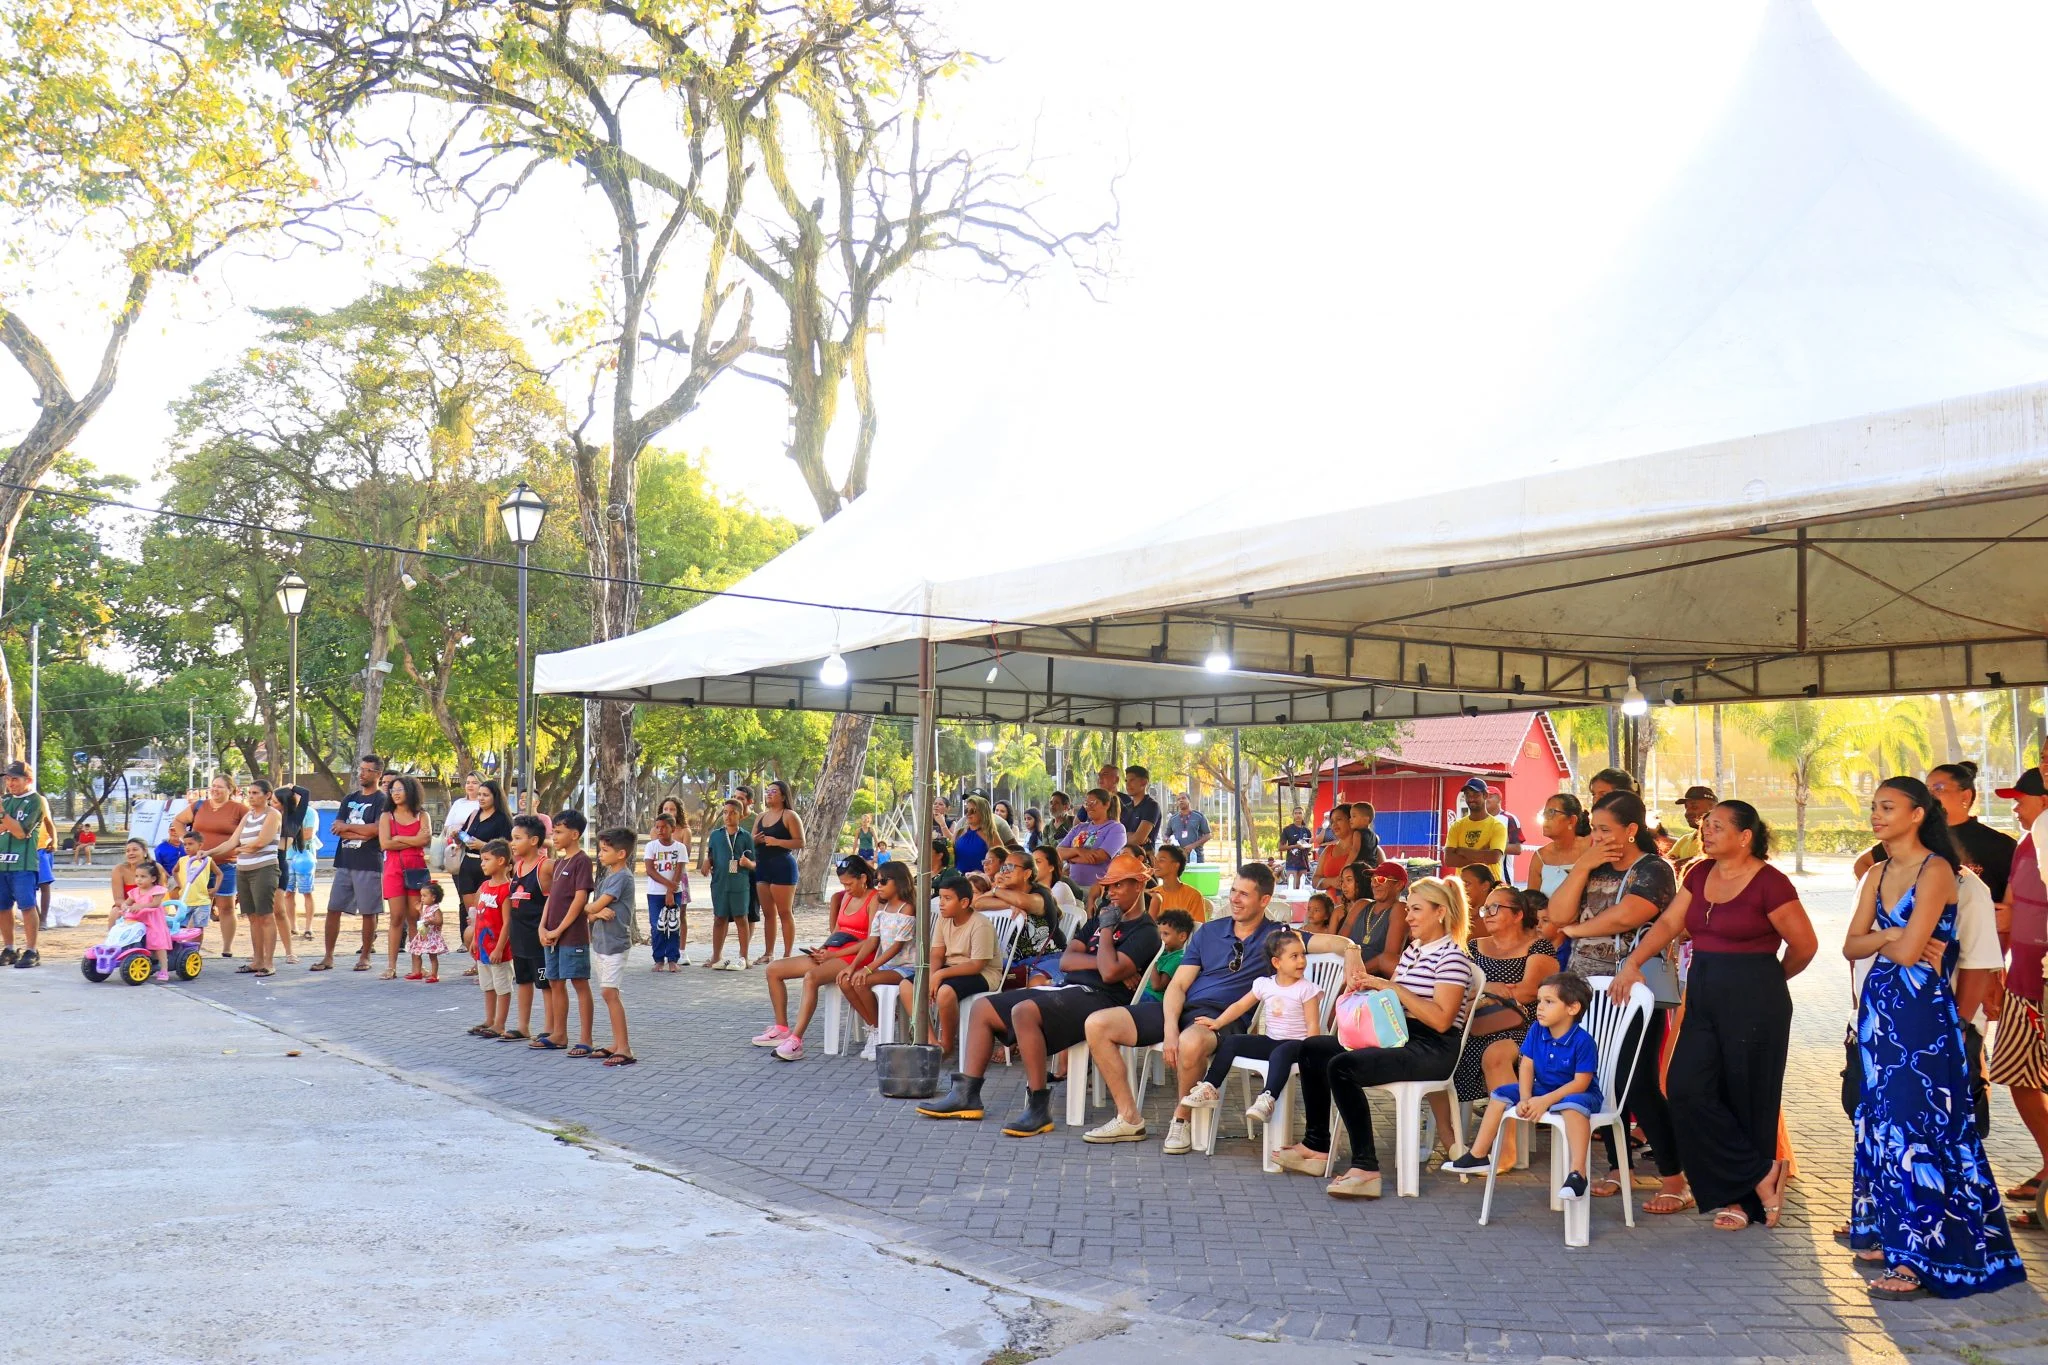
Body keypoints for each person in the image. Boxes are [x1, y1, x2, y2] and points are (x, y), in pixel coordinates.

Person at [1846, 776, 2024, 1300]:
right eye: (1874, 806)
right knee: (1878, 1118)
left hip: (1922, 1013)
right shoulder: (1877, 871)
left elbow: (1906, 954)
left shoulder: (1939, 870)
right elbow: (1852, 946)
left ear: (1919, 813)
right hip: (1880, 1008)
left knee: (1916, 1129)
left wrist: (1886, 942)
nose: (1876, 815)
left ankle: (1920, 1255)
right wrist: (1888, 937)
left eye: (1887, 806)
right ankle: (1886, 1232)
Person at [1614, 799, 1816, 1230]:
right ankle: (1761, 1172)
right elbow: (1668, 924)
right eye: (1706, 825)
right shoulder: (1700, 872)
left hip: (1756, 995)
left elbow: (1805, 945)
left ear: (1745, 836)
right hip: (1705, 990)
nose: (1706, 831)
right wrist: (1633, 961)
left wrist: (1770, 980)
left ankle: (1741, 1200)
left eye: (1717, 826)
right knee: (1686, 1088)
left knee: (1747, 1096)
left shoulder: (1771, 883)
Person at [1084, 862, 1353, 1152]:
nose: (1234, 899)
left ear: (1264, 900)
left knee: (1190, 1041)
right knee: (1097, 1024)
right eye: (1233, 891)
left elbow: (1335, 943)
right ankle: (1128, 1117)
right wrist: (1169, 1028)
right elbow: (1177, 986)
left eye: (1244, 895)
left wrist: (1354, 951)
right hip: (1180, 1009)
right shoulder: (1209, 932)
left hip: (1224, 1017)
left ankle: (1181, 1120)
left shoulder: (1279, 937)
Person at [918, 849, 1163, 1136]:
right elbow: (1068, 961)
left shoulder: (1144, 930)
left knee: (1024, 1011)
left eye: (1119, 885)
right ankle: (967, 1093)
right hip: (1069, 988)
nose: (1111, 892)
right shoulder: (1099, 920)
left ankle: (1038, 1106)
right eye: (1108, 885)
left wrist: (1107, 935)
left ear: (1140, 885)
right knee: (983, 1008)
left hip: (1101, 1001)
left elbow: (1108, 975)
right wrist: (1108, 960)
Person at [1270, 876, 1477, 1198]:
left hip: (1431, 1047)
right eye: (1408, 909)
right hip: (1398, 1035)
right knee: (1312, 1048)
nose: (1407, 916)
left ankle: (1366, 1168)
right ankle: (1316, 1146)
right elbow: (1394, 1003)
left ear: (1440, 912)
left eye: (1416, 910)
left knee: (1342, 1066)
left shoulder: (1453, 958)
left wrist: (1392, 987)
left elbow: (1440, 1020)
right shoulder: (1415, 950)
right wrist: (1366, 987)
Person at [1551, 790, 1688, 1211]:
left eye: (1606, 830)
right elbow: (1557, 913)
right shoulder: (1592, 866)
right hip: (1584, 990)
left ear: (1632, 830)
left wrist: (1575, 931)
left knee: (1638, 1084)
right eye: (1594, 829)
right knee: (1597, 1079)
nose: (1598, 837)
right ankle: (1618, 1167)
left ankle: (1674, 1178)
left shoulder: (1654, 869)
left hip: (1630, 992)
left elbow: (1631, 914)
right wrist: (1583, 866)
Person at [1443, 972, 1602, 1199]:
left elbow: (1580, 1082)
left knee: (1572, 1107)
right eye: (1539, 1001)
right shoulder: (1537, 1029)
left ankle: (1578, 1173)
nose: (1540, 1008)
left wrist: (1544, 1100)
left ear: (1572, 1008)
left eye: (1549, 1002)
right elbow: (1526, 1065)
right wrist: (1526, 1097)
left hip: (1579, 1093)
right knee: (1499, 1095)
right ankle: (1478, 1155)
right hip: (1543, 1089)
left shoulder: (1582, 1041)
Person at [1442, 884, 1560, 1159]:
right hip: (1474, 1025)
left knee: (1495, 1055)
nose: (1487, 913)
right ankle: (1451, 1141)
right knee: (1438, 1047)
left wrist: (1485, 989)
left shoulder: (1538, 946)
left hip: (1525, 1028)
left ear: (1518, 914)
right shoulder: (1473, 947)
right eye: (1485, 908)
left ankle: (1507, 1147)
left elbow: (1530, 991)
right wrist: (1494, 989)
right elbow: (1457, 989)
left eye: (1495, 908)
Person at [1181, 929, 1328, 1125]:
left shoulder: (1307, 989)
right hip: (1272, 1041)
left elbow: (1312, 1023)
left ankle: (1267, 1098)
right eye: (1294, 956)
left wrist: (1312, 1053)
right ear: (1277, 962)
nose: (1301, 961)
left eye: (1303, 954)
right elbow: (1240, 1005)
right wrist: (1218, 1022)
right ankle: (1210, 1086)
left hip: (1298, 1045)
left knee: (1281, 1052)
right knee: (1231, 1042)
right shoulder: (1264, 984)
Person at [1989, 768, 2048, 1210]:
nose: (2016, 805)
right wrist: (1996, 968)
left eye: (2022, 798)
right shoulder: (2026, 844)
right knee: (2016, 1074)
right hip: (2022, 982)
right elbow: (2007, 908)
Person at [754, 855, 878, 1060]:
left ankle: (796, 1041)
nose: (846, 889)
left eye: (849, 884)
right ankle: (782, 1027)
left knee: (811, 977)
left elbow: (871, 941)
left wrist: (834, 954)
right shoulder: (846, 897)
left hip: (856, 955)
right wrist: (822, 950)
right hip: (833, 951)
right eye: (843, 884)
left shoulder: (874, 899)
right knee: (774, 969)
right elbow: (838, 930)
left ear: (863, 878)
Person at [1854, 761, 2016, 905]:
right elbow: (1862, 863)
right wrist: (1884, 900)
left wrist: (2010, 913)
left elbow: (2018, 891)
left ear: (1965, 796)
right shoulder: (1914, 835)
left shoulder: (1999, 844)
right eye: (1927, 789)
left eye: (1938, 788)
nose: (1930, 796)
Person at [835, 860, 919, 1056]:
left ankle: (880, 1032)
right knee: (846, 980)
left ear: (898, 882)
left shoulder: (907, 909)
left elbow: (897, 947)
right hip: (886, 966)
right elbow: (872, 941)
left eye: (883, 882)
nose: (878, 885)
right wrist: (853, 966)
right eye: (877, 881)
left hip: (905, 967)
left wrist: (868, 969)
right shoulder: (882, 909)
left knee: (861, 982)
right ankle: (875, 1027)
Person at [314, 756, 388, 971]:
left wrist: (350, 829)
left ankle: (365, 956)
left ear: (377, 774)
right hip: (345, 860)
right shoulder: (349, 798)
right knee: (333, 908)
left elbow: (376, 830)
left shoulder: (381, 800)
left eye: (367, 770)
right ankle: (328, 956)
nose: (361, 773)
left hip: (368, 862)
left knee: (368, 911)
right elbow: (337, 826)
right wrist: (356, 831)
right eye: (360, 769)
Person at [538, 809, 595, 1055]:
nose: (554, 836)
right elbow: (551, 899)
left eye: (559, 832)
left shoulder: (582, 861)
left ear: (574, 834)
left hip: (572, 936)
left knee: (579, 983)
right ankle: (559, 1033)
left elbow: (580, 899)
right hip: (551, 935)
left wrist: (560, 929)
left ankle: (585, 1039)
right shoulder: (559, 862)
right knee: (555, 981)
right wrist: (543, 926)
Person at [924, 870, 1000, 1055]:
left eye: (947, 898)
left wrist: (939, 975)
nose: (941, 903)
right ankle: (932, 1041)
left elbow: (977, 965)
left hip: (983, 974)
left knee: (945, 992)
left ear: (964, 903)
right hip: (951, 968)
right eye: (940, 897)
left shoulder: (980, 924)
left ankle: (948, 1045)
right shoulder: (944, 918)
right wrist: (932, 975)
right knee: (908, 985)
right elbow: (937, 953)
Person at [174, 773, 247, 960]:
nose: (215, 789)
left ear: (231, 790)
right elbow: (179, 821)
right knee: (193, 906)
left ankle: (227, 947)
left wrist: (242, 848)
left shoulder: (239, 809)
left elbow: (250, 830)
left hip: (226, 864)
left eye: (220, 786)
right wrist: (186, 841)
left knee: (226, 907)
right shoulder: (200, 806)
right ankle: (191, 949)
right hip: (198, 865)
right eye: (213, 786)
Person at [587, 826, 638, 1067]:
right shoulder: (610, 875)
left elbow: (592, 908)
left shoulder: (622, 877)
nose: (600, 854)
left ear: (621, 854)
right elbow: (594, 913)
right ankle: (616, 1043)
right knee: (607, 993)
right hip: (601, 941)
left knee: (610, 993)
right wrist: (594, 913)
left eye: (605, 850)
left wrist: (586, 908)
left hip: (615, 942)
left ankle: (625, 1047)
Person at [973, 847, 1065, 982]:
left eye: (1010, 867)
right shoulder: (1007, 894)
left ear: (1027, 873)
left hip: (1049, 957)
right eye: (1003, 868)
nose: (1005, 872)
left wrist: (995, 891)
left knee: (1036, 984)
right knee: (974, 974)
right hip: (1016, 962)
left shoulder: (1041, 894)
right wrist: (1009, 905)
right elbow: (977, 903)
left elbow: (1021, 901)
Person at [502, 814, 551, 1041]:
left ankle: (551, 1028)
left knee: (546, 984)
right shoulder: (518, 867)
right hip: (519, 936)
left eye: (517, 838)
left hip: (539, 937)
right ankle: (523, 1026)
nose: (513, 843)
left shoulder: (545, 867)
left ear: (533, 841)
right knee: (523, 981)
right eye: (512, 838)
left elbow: (555, 901)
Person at [451, 778, 510, 966]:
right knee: (473, 915)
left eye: (486, 795)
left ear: (495, 797)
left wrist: (483, 845)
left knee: (489, 914)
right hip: (468, 864)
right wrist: (458, 837)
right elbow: (465, 836)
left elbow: (507, 847)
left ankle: (492, 955)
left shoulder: (502, 819)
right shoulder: (474, 814)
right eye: (480, 795)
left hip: (488, 868)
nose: (481, 798)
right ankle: (477, 960)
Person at [378, 775, 432, 980]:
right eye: (392, 790)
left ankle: (418, 964)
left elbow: (425, 839)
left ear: (411, 790)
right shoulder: (386, 816)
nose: (396, 793)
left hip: (417, 868)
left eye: (400, 789)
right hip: (393, 868)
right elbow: (385, 844)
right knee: (396, 917)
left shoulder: (422, 815)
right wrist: (412, 840)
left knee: (417, 918)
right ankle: (391, 966)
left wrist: (399, 838)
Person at [230, 779, 285, 977]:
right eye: (249, 793)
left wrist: (240, 849)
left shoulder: (273, 814)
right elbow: (232, 841)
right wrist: (207, 852)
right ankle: (257, 959)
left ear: (267, 795)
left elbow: (261, 842)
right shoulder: (248, 816)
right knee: (252, 917)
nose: (251, 797)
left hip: (264, 868)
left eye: (255, 793)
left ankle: (269, 963)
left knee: (265, 915)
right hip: (243, 868)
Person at [465, 839, 514, 1039]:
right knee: (487, 985)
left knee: (502, 985)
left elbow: (507, 922)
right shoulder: (484, 886)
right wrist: (475, 940)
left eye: (486, 859)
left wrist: (499, 947)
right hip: (483, 947)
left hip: (498, 949)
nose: (482, 864)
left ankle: (500, 1023)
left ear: (501, 861)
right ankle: (489, 1019)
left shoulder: (506, 889)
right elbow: (479, 918)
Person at [751, 780, 804, 965]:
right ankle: (768, 953)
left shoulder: (790, 815)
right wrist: (755, 840)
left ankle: (788, 954)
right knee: (768, 914)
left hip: (783, 866)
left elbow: (800, 842)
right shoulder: (760, 816)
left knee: (784, 912)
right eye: (767, 791)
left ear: (783, 796)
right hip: (762, 866)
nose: (769, 794)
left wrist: (778, 842)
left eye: (773, 791)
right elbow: (752, 839)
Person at [701, 799, 756, 970]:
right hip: (719, 882)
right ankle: (716, 956)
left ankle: (743, 957)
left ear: (740, 815)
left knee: (741, 918)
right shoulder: (716, 835)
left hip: (739, 882)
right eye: (725, 812)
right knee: (719, 918)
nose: (728, 816)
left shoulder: (746, 836)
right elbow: (711, 855)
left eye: (733, 812)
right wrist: (706, 862)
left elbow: (754, 864)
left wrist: (748, 863)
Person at [1058, 788, 1127, 907]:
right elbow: (1057, 853)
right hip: (1073, 887)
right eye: (1086, 803)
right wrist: (1078, 850)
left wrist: (1070, 858)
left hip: (1097, 890)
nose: (1089, 807)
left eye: (1093, 803)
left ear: (1107, 804)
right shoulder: (1079, 828)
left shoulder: (1116, 828)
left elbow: (1099, 857)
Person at [1345, 862, 1410, 977]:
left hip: (1369, 980)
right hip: (1344, 970)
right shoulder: (1361, 905)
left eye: (1380, 879)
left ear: (1399, 885)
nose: (1374, 884)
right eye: (1373, 879)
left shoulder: (1400, 909)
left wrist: (1354, 974)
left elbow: (1388, 957)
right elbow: (1339, 940)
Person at [644, 812, 690, 971]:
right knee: (657, 926)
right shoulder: (651, 846)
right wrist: (668, 885)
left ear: (673, 829)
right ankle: (658, 959)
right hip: (654, 893)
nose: (660, 830)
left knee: (673, 925)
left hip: (674, 893)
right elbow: (650, 870)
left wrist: (671, 890)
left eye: (664, 827)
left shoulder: (680, 848)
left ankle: (672, 959)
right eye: (657, 827)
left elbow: (679, 870)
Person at [1526, 794, 1592, 898]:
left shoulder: (1589, 849)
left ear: (1571, 821)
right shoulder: (1540, 857)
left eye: (1552, 812)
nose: (1545, 818)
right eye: (1544, 813)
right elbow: (1532, 901)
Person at [1443, 779, 1508, 882]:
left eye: (1476, 794)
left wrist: (1462, 851)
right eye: (1468, 795)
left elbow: (1494, 857)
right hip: (1463, 888)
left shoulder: (1497, 826)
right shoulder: (1456, 826)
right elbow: (1449, 860)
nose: (1471, 798)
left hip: (1488, 886)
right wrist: (1482, 854)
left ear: (1485, 795)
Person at [120, 860, 174, 982]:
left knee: (158, 942)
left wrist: (140, 906)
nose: (139, 880)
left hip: (153, 921)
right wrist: (124, 906)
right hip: (138, 920)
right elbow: (127, 902)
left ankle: (164, 969)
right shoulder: (134, 892)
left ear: (153, 878)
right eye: (137, 876)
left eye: (143, 877)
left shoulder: (157, 890)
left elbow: (155, 904)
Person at [1135, 909, 1196, 1001]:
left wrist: (1152, 958)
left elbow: (1157, 986)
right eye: (1159, 934)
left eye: (1166, 934)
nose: (1161, 938)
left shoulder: (1177, 958)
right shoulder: (1163, 952)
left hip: (1153, 998)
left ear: (1182, 936)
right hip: (1141, 991)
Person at [439, 772, 482, 880]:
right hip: (458, 852)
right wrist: (455, 830)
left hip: (478, 853)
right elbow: (446, 827)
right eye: (468, 783)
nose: (470, 785)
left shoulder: (484, 804)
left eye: (474, 783)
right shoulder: (459, 803)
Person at [1151, 844, 1209, 923]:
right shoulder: (1152, 894)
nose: (1155, 865)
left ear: (1176, 865)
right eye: (1155, 860)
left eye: (1161, 860)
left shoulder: (1193, 896)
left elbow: (1197, 930)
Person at [953, 795, 1002, 882]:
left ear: (983, 813)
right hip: (958, 882)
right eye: (966, 810)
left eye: (973, 811)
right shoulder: (959, 833)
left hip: (981, 883)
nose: (968, 814)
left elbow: (1001, 860)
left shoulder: (991, 835)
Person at [408, 880, 448, 983]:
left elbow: (439, 921)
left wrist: (431, 921)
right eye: (421, 896)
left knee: (432, 956)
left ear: (433, 897)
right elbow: (423, 918)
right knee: (416, 953)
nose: (422, 898)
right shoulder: (426, 908)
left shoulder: (436, 909)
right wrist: (420, 911)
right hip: (423, 935)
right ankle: (417, 971)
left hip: (432, 936)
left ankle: (434, 974)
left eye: (424, 896)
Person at [1314, 805, 1360, 893]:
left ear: (1351, 820)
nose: (1334, 824)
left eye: (1339, 819)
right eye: (1331, 822)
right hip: (1331, 905)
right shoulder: (1328, 850)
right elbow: (1315, 880)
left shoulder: (1370, 848)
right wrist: (1331, 881)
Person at [1482, 786, 1523, 881]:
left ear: (1499, 799)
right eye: (1484, 796)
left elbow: (1517, 849)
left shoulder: (1509, 819)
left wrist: (1491, 847)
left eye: (1490, 796)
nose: (1486, 800)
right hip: (1482, 879)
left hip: (1502, 878)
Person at [1119, 766, 1162, 854]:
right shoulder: (1125, 808)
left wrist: (1123, 837)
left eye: (1132, 780)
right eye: (1126, 781)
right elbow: (1115, 834)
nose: (1127, 784)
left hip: (1143, 860)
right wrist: (1128, 836)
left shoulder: (1151, 806)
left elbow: (1138, 839)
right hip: (1123, 857)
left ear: (1144, 782)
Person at [1668, 785, 1715, 865]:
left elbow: (1708, 861)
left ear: (1712, 808)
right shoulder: (1685, 839)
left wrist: (1677, 864)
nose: (1687, 813)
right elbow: (1666, 864)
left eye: (1694, 807)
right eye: (1686, 808)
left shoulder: (1718, 839)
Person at [109, 838, 152, 919]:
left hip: (149, 907)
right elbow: (118, 899)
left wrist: (142, 907)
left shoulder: (155, 868)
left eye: (135, 850)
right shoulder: (119, 869)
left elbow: (160, 896)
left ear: (145, 852)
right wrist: (126, 907)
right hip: (126, 906)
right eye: (128, 851)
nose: (131, 853)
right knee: (115, 912)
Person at [1280, 807, 1314, 890]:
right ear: (1293, 815)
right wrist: (1296, 846)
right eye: (1296, 813)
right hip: (1292, 862)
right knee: (1292, 887)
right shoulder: (1287, 830)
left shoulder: (1307, 831)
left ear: (1303, 815)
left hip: (1303, 862)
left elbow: (1308, 847)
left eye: (1300, 813)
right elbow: (1281, 847)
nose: (1298, 815)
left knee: (1301, 888)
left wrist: (1309, 843)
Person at [1349, 802, 1383, 870]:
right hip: (1372, 867)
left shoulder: (1357, 833)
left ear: (1365, 819)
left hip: (1360, 868)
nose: (1350, 819)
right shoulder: (1375, 836)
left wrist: (1346, 865)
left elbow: (1355, 850)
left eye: (1354, 816)